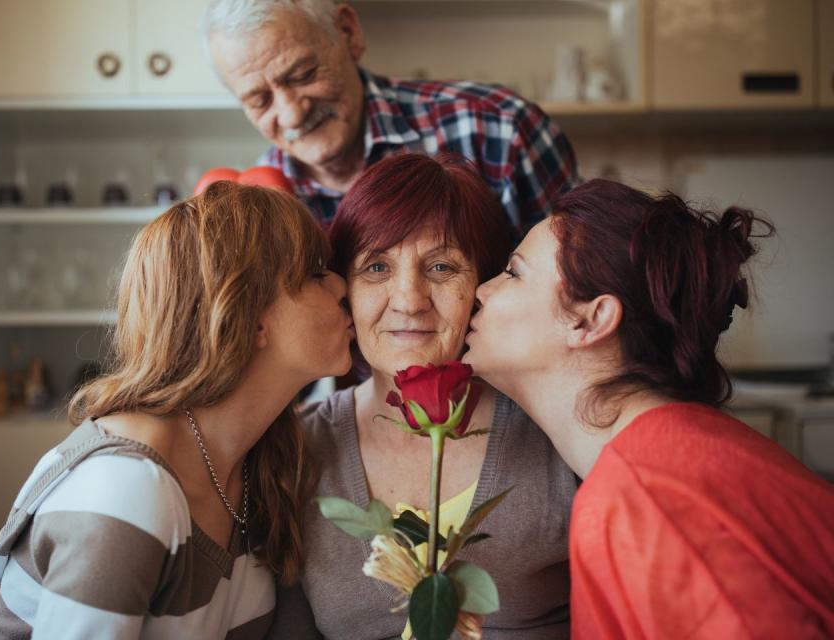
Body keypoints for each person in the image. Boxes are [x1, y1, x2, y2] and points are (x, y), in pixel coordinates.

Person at [464, 179, 834, 638]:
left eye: (514, 273)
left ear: (590, 320)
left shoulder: (644, 496)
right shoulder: (670, 451)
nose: (481, 290)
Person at [0, 182, 355, 639]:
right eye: (316, 274)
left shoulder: (261, 462)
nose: (342, 284)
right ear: (249, 317)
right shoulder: (124, 489)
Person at [269, 153, 578, 639]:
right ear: (342, 288)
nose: (409, 299)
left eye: (441, 266)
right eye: (375, 267)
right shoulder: (294, 451)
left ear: (484, 284)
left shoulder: (556, 438)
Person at [202, 0, 578, 233]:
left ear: (348, 33)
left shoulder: (499, 127)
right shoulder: (256, 204)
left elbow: (584, 286)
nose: (291, 112)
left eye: (303, 75)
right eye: (258, 99)